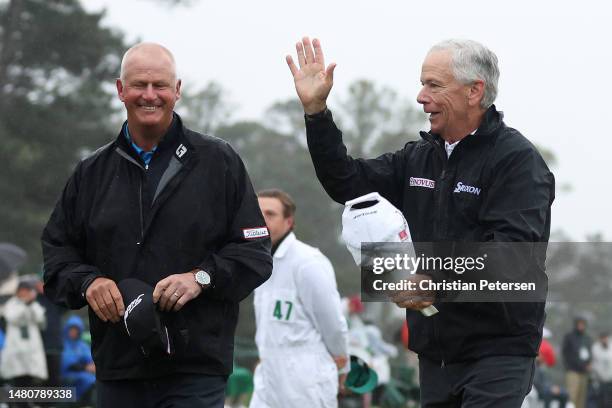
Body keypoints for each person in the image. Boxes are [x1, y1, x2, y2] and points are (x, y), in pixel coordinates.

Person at [286, 37, 555, 407]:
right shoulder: (418, 157)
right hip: (435, 351)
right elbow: (347, 183)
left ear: (474, 91)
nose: (420, 96)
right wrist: (317, 113)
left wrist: (435, 281)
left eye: (433, 84)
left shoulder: (517, 161)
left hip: (498, 350)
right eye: (422, 83)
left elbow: (510, 255)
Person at [41, 42, 272, 408]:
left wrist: (200, 278)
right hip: (118, 365)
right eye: (139, 85)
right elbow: (56, 257)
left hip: (196, 366)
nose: (150, 95)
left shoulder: (219, 161)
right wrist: (87, 283)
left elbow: (255, 252)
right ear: (121, 90)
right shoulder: (90, 173)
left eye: (160, 85)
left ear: (177, 90)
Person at [250, 189, 348, 408]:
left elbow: (332, 322)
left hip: (306, 381)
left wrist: (342, 362)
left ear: (289, 222)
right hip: (267, 378)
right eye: (257, 213)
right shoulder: (257, 262)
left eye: (270, 214)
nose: (262, 220)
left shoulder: (308, 262)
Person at [0, 280, 48, 387]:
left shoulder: (34, 304)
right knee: (17, 376)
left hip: (31, 347)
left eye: (27, 290)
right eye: (22, 290)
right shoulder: (11, 304)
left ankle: (27, 402)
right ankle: (19, 403)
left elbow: (41, 321)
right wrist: (25, 306)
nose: (24, 293)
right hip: (16, 346)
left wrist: (30, 305)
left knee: (30, 376)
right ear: (18, 291)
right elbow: (12, 318)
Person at [61, 315, 96, 405]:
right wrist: (85, 367)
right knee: (88, 380)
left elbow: (90, 359)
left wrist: (92, 365)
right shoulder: (64, 344)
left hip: (84, 373)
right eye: (71, 329)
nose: (73, 332)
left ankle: (88, 404)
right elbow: (67, 363)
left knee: (94, 380)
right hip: (69, 374)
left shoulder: (82, 345)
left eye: (76, 329)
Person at [562, 317, 593, 408]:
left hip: (584, 372)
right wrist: (568, 366)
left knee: (581, 398)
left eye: (583, 324)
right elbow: (565, 353)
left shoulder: (587, 338)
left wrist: (589, 364)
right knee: (572, 397)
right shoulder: (569, 337)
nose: (581, 326)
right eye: (579, 324)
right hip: (573, 371)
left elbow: (589, 353)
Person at [591, 331, 612, 407]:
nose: (604, 340)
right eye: (603, 338)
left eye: (606, 338)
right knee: (601, 401)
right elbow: (594, 364)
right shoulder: (595, 348)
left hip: (610, 380)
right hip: (600, 380)